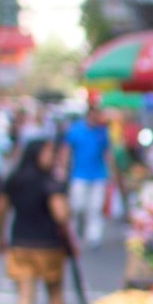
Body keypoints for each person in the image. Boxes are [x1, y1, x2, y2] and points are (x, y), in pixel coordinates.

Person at [0, 137, 74, 304]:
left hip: (20, 243)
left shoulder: (14, 179)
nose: (53, 156)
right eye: (49, 152)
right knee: (55, 294)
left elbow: (1, 211)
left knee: (24, 297)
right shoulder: (49, 182)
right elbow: (61, 215)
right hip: (48, 244)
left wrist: (0, 237)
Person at [63, 103, 110, 248]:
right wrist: (64, 169)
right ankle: (80, 225)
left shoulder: (102, 132)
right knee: (78, 205)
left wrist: (111, 172)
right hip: (79, 174)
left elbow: (107, 153)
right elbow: (67, 150)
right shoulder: (75, 130)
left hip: (98, 174)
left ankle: (93, 236)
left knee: (95, 207)